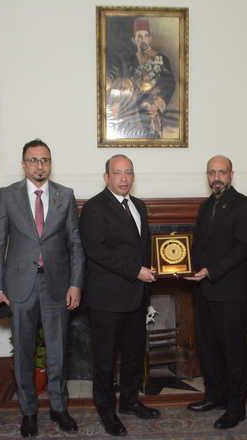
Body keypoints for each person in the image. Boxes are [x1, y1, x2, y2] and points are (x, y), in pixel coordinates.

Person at [0, 139, 84, 437]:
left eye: (45, 160)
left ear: (50, 163)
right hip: (19, 287)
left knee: (57, 353)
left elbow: (75, 244)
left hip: (56, 286)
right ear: (24, 164)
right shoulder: (8, 196)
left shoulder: (65, 195)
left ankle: (59, 408)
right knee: (23, 353)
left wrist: (75, 283)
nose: (39, 166)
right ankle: (28, 412)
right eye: (33, 160)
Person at [79, 154, 160, 436]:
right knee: (104, 360)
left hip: (136, 297)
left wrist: (153, 273)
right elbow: (96, 251)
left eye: (128, 172)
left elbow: (143, 248)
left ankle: (129, 401)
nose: (124, 178)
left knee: (134, 356)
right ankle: (106, 411)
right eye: (118, 173)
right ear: (106, 177)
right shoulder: (94, 208)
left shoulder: (139, 205)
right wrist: (136, 271)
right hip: (107, 300)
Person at [185, 155, 247, 429]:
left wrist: (210, 271)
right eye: (211, 173)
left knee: (233, 352)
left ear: (231, 174)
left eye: (221, 172)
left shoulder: (244, 207)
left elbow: (242, 249)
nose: (216, 177)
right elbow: (199, 245)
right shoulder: (206, 206)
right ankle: (214, 396)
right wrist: (188, 267)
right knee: (208, 348)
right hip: (204, 290)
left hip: (230, 292)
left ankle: (236, 408)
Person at [107, 18, 176, 139]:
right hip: (128, 110)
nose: (142, 40)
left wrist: (156, 104)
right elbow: (118, 82)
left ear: (150, 38)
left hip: (150, 107)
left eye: (145, 36)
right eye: (139, 36)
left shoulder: (161, 59)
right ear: (134, 40)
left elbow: (168, 83)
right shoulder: (127, 61)